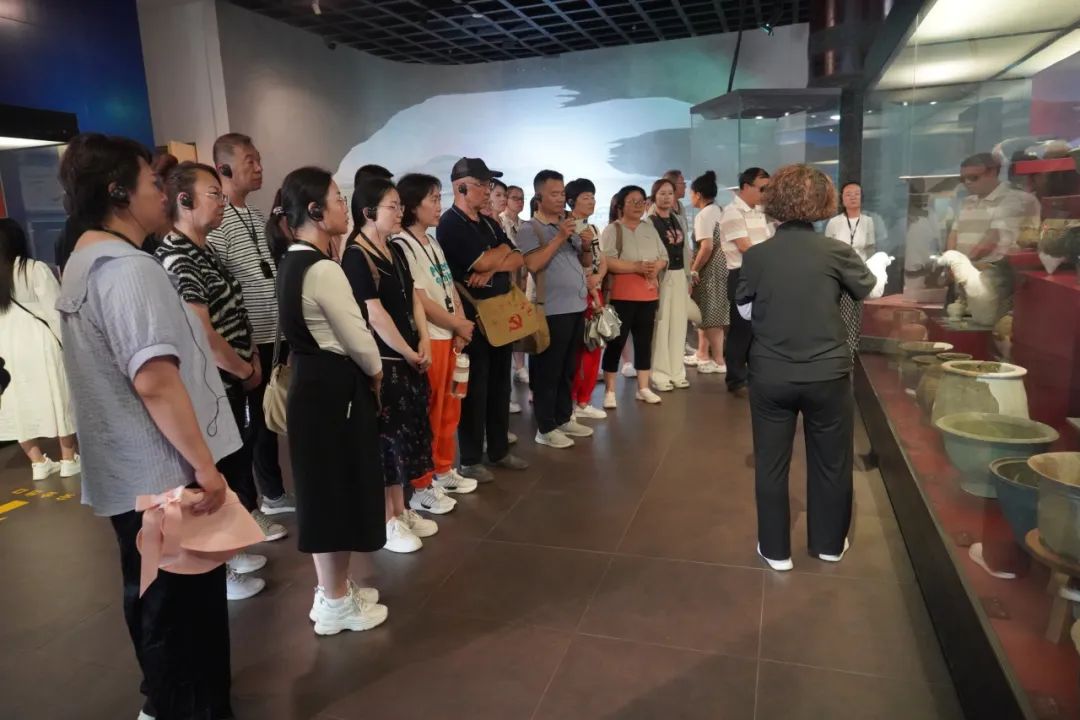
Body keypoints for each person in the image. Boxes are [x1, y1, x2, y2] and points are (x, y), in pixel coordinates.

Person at [57, 132, 243, 718]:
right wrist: (206, 468)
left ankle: (166, 701)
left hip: (132, 475)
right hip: (163, 476)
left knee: (155, 599)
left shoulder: (84, 260)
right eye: (152, 182)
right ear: (119, 193)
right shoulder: (126, 269)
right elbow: (155, 380)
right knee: (182, 609)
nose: (163, 194)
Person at [734, 164, 891, 572]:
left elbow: (745, 309)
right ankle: (828, 544)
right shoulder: (836, 251)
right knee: (831, 461)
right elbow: (869, 289)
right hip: (827, 372)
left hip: (771, 372)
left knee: (771, 463)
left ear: (774, 201)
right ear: (824, 201)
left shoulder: (758, 255)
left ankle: (775, 549)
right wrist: (878, 266)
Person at [267, 166, 389, 634]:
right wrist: (376, 374)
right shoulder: (322, 269)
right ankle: (335, 601)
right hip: (334, 391)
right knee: (336, 493)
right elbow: (359, 339)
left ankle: (334, 590)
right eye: (338, 199)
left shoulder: (292, 260)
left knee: (325, 491)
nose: (345, 206)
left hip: (313, 388)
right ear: (316, 211)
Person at [156, 161, 278, 601]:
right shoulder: (176, 255)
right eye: (213, 194)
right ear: (183, 200)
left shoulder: (204, 249)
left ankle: (229, 552)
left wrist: (250, 358)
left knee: (234, 462)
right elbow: (202, 332)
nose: (222, 202)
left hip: (230, 380)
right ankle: (218, 570)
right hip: (212, 384)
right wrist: (243, 369)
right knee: (211, 473)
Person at [343, 176, 445, 554]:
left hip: (407, 358)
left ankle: (401, 510)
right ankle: (386, 520)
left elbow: (413, 299)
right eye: (392, 206)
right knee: (386, 443)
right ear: (368, 212)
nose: (400, 212)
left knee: (406, 439)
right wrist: (406, 351)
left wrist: (423, 341)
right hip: (383, 363)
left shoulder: (395, 249)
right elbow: (374, 314)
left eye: (401, 205)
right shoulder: (357, 255)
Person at [207, 133, 296, 522]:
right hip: (247, 342)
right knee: (253, 426)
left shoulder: (257, 215)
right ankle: (261, 498)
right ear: (224, 168)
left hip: (274, 334)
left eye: (258, 160)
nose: (259, 168)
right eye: (250, 161)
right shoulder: (217, 223)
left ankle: (273, 492)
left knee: (268, 419)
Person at [437, 158, 529, 483]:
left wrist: (491, 267)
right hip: (472, 318)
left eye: (489, 185)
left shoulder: (488, 223)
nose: (488, 191)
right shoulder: (451, 224)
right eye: (483, 185)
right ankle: (471, 458)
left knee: (500, 385)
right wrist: (496, 256)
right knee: (475, 388)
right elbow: (484, 259)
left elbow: (517, 257)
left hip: (500, 313)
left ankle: (499, 449)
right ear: (461, 187)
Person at [393, 173, 479, 497]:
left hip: (450, 336)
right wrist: (456, 324)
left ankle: (443, 469)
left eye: (439, 198)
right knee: (429, 411)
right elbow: (421, 300)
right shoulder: (403, 245)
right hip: (431, 337)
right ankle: (422, 480)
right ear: (413, 206)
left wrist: (460, 322)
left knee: (449, 408)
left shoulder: (433, 241)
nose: (439, 205)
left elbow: (448, 286)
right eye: (433, 199)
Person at [516, 170, 592, 449]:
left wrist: (586, 245)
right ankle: (545, 427)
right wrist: (560, 237)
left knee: (568, 368)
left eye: (562, 194)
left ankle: (564, 417)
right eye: (555, 194)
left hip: (576, 305)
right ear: (539, 196)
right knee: (548, 371)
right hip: (551, 310)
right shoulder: (529, 229)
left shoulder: (567, 224)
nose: (561, 199)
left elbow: (585, 262)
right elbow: (533, 264)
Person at [0, 219, 79, 480]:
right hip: (39, 342)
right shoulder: (33, 269)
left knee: (19, 402)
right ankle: (68, 459)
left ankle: (38, 463)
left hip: (7, 346)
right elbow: (55, 310)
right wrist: (69, 344)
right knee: (59, 396)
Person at [600, 185, 667, 408]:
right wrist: (635, 267)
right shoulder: (613, 230)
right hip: (622, 295)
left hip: (648, 294)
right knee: (616, 342)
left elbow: (663, 256)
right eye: (632, 201)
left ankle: (643, 387)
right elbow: (606, 261)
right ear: (621, 205)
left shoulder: (649, 228)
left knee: (644, 342)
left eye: (641, 201)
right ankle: (610, 390)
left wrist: (657, 266)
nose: (638, 206)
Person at [721, 167, 774, 395]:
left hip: (762, 273)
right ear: (745, 187)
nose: (765, 194)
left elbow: (769, 241)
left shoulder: (760, 212)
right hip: (742, 274)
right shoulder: (732, 212)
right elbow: (745, 247)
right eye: (762, 189)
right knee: (741, 329)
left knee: (759, 329)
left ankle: (755, 375)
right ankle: (735, 378)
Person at [947, 152, 1041, 265]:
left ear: (992, 172)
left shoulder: (1016, 199)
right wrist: (951, 262)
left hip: (995, 269)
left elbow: (992, 240)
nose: (967, 182)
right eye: (963, 179)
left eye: (973, 177)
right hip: (965, 268)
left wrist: (962, 265)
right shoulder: (967, 201)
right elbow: (954, 234)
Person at [566, 178, 608, 419]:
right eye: (585, 197)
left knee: (593, 346)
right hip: (576, 294)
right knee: (576, 349)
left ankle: (584, 400)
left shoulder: (593, 229)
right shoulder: (567, 228)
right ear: (572, 201)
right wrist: (590, 285)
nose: (591, 201)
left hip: (595, 292)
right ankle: (571, 401)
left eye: (593, 197)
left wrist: (598, 278)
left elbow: (602, 260)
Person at [648, 178, 692, 391]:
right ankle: (660, 374)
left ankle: (677, 372)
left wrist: (689, 276)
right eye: (662, 193)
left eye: (670, 193)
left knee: (679, 324)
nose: (666, 197)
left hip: (680, 274)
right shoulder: (649, 222)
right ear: (654, 196)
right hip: (661, 277)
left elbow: (686, 249)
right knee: (662, 324)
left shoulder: (679, 219)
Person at [825, 181, 876, 357]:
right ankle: (840, 352)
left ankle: (853, 352)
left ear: (862, 197)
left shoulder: (868, 221)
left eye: (856, 193)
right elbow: (828, 250)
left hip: (859, 275)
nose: (853, 197)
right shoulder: (834, 222)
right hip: (839, 276)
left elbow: (870, 249)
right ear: (842, 199)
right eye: (848, 194)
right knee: (841, 315)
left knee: (857, 315)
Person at [687, 171, 727, 374]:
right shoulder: (719, 210)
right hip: (723, 265)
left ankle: (719, 360)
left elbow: (706, 247)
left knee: (711, 315)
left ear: (698, 194)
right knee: (705, 312)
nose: (690, 197)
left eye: (691, 193)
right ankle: (702, 353)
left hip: (710, 269)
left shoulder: (704, 215)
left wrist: (694, 270)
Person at [500, 184, 529, 386]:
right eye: (515, 198)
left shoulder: (525, 225)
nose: (519, 202)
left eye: (522, 198)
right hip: (507, 277)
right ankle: (515, 367)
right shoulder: (499, 223)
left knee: (521, 324)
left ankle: (520, 366)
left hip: (525, 277)